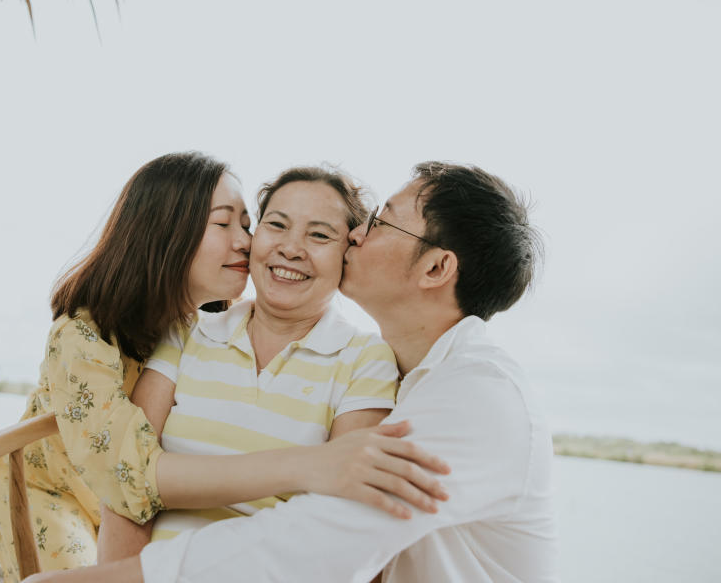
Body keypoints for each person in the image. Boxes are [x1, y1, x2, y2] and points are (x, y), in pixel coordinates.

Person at [29, 161, 558, 583]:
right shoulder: (419, 374)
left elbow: (320, 543)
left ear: (437, 268)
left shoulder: (472, 400)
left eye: (377, 222)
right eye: (274, 224)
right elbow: (129, 486)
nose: (357, 238)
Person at [97, 166, 406, 559]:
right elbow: (125, 484)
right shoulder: (188, 332)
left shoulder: (366, 358)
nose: (292, 249)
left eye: (319, 235)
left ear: (348, 253)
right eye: (276, 225)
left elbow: (340, 512)